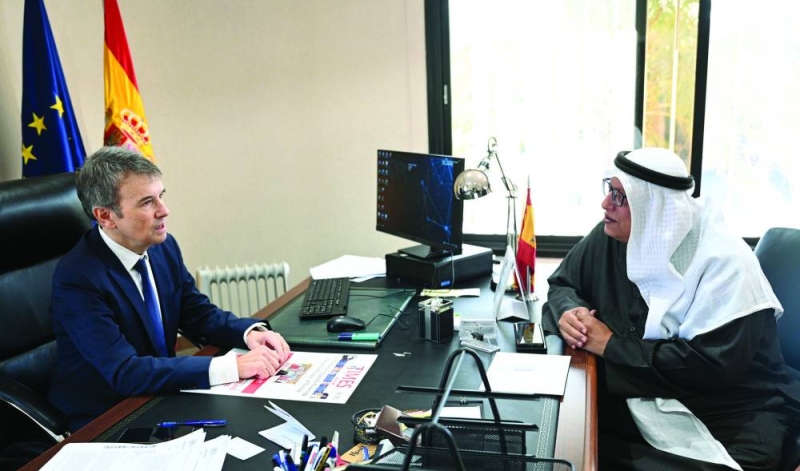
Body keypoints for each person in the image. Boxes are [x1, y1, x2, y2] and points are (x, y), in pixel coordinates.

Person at [542, 147, 800, 470]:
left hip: (731, 410)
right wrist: (571, 314)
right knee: (566, 435)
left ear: (654, 209)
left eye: (621, 197)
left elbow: (710, 367)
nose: (606, 204)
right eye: (610, 189)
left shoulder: (727, 265)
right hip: (643, 388)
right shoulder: (612, 235)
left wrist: (609, 344)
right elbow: (564, 283)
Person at [49, 146, 291, 431]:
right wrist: (233, 367)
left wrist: (249, 333)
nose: (164, 211)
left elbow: (197, 313)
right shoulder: (77, 278)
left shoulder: (163, 248)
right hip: (107, 417)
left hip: (158, 395)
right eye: (147, 202)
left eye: (160, 196)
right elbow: (125, 371)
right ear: (105, 216)